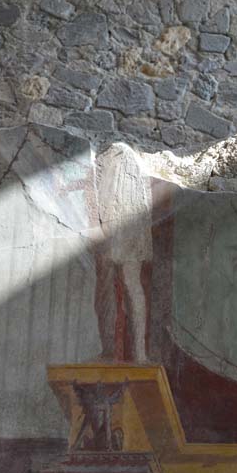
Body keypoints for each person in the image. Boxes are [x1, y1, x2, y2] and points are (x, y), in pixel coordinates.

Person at [92, 143, 154, 363]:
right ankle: (108, 350)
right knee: (104, 284)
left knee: (130, 281)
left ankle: (139, 353)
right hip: (105, 215)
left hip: (129, 212)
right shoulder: (100, 155)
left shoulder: (134, 155)